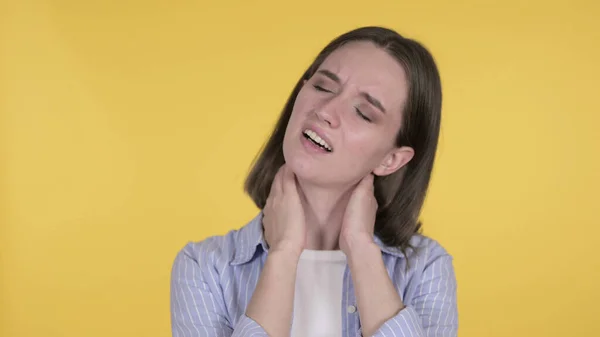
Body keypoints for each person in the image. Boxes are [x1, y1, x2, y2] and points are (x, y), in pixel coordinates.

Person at [170, 26, 458, 337]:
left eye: (363, 112)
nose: (325, 111)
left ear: (391, 160)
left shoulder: (425, 269)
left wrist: (361, 250)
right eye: (322, 87)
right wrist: (283, 254)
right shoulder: (204, 268)